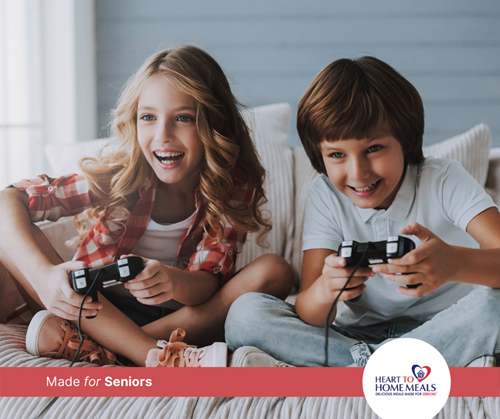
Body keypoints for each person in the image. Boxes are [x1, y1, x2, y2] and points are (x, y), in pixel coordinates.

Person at [0, 46, 294, 367]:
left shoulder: (231, 183)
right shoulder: (119, 174)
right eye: (148, 118)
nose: (162, 135)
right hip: (98, 309)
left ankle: (118, 349)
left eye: (183, 118)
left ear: (214, 123)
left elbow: (209, 281)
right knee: (9, 239)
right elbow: (9, 198)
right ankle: (150, 354)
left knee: (275, 270)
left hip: (178, 313)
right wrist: (44, 277)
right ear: (135, 122)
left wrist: (173, 281)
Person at [225, 56, 500, 368]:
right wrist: (326, 290)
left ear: (405, 140)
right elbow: (308, 311)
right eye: (337, 154)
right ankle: (389, 368)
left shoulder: (442, 178)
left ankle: (361, 370)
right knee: (244, 314)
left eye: (374, 149)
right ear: (320, 156)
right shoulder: (325, 193)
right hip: (355, 337)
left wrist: (453, 262)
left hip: (446, 327)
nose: (358, 173)